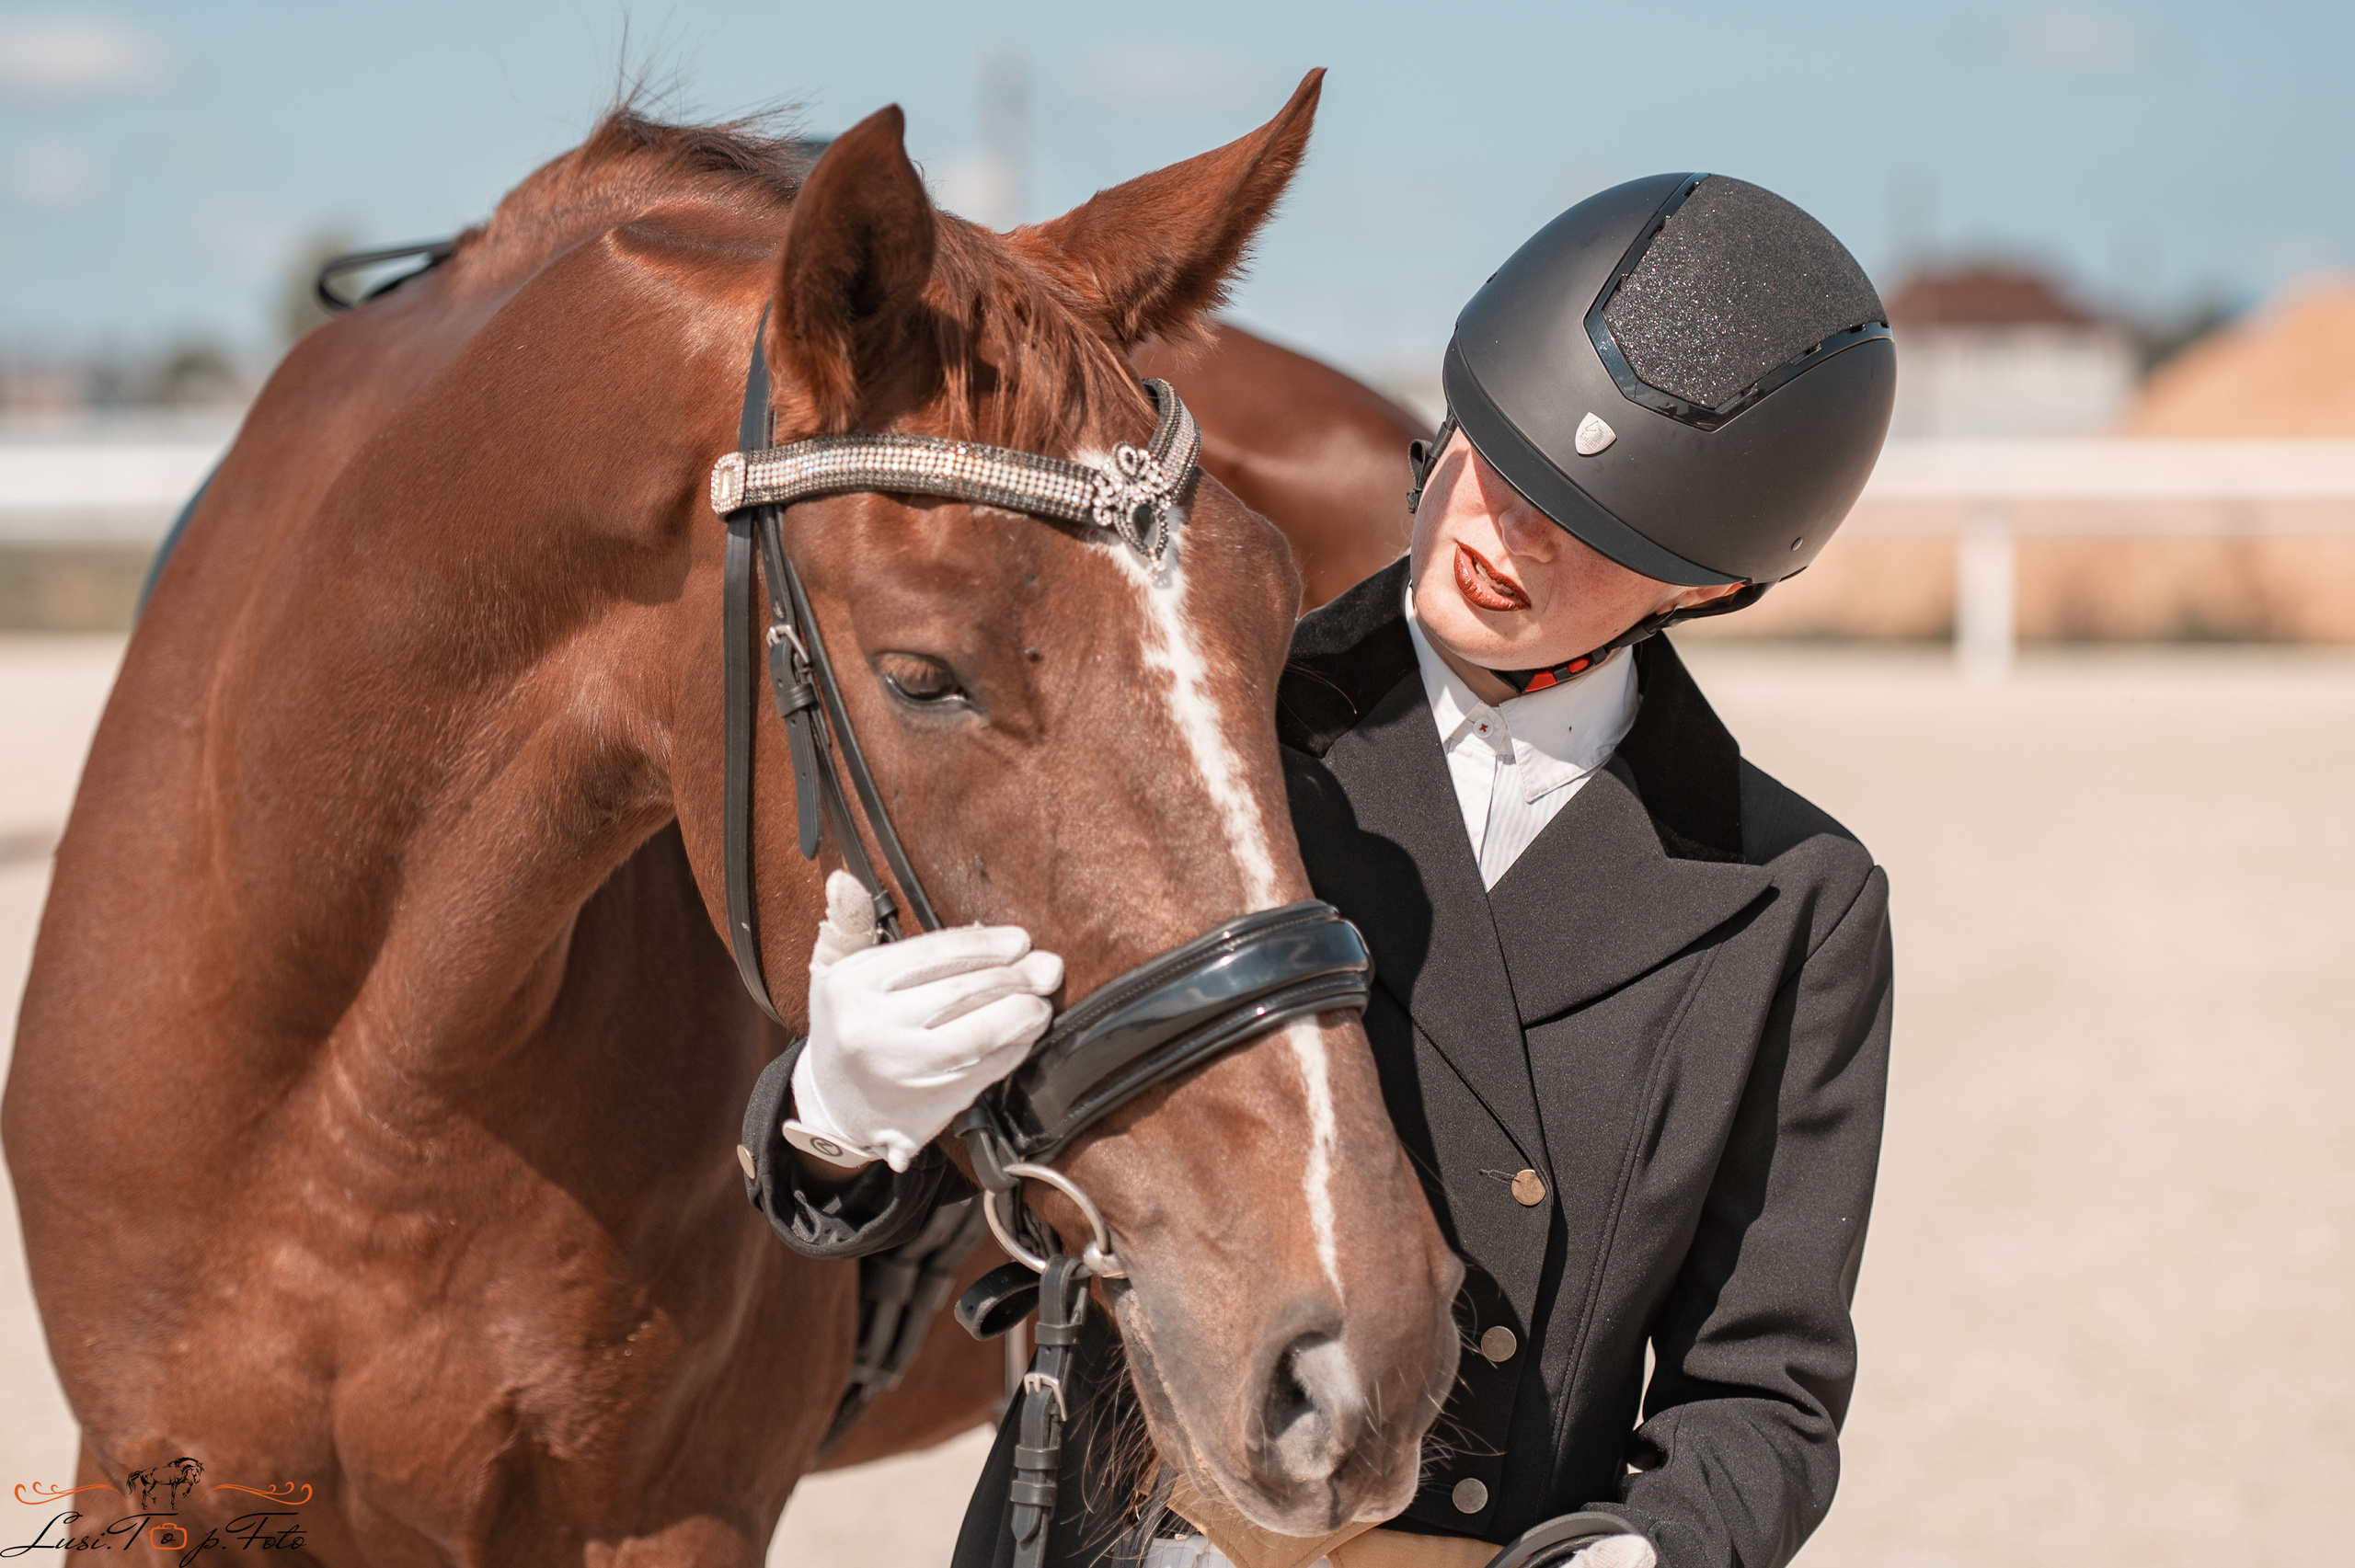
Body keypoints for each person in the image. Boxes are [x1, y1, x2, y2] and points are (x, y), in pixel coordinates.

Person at [747, 172, 1897, 1568]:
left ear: (1706, 588)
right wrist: (834, 1112)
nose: (1502, 534)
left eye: (1587, 529)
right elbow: (962, 1191)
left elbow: (1765, 1388)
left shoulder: (1792, 900)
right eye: (1494, 457)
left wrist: (1660, 1551)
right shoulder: (1202, 738)